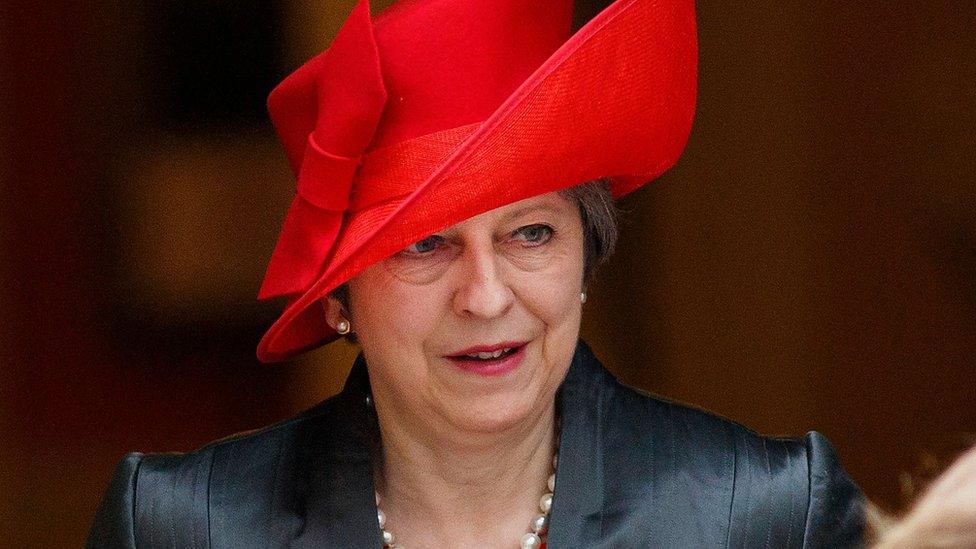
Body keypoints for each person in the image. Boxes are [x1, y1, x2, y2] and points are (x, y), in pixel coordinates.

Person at [88, 0, 865, 547]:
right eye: (425, 246)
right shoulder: (181, 527)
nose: (487, 296)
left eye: (530, 233)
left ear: (584, 259)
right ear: (338, 298)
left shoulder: (762, 517)